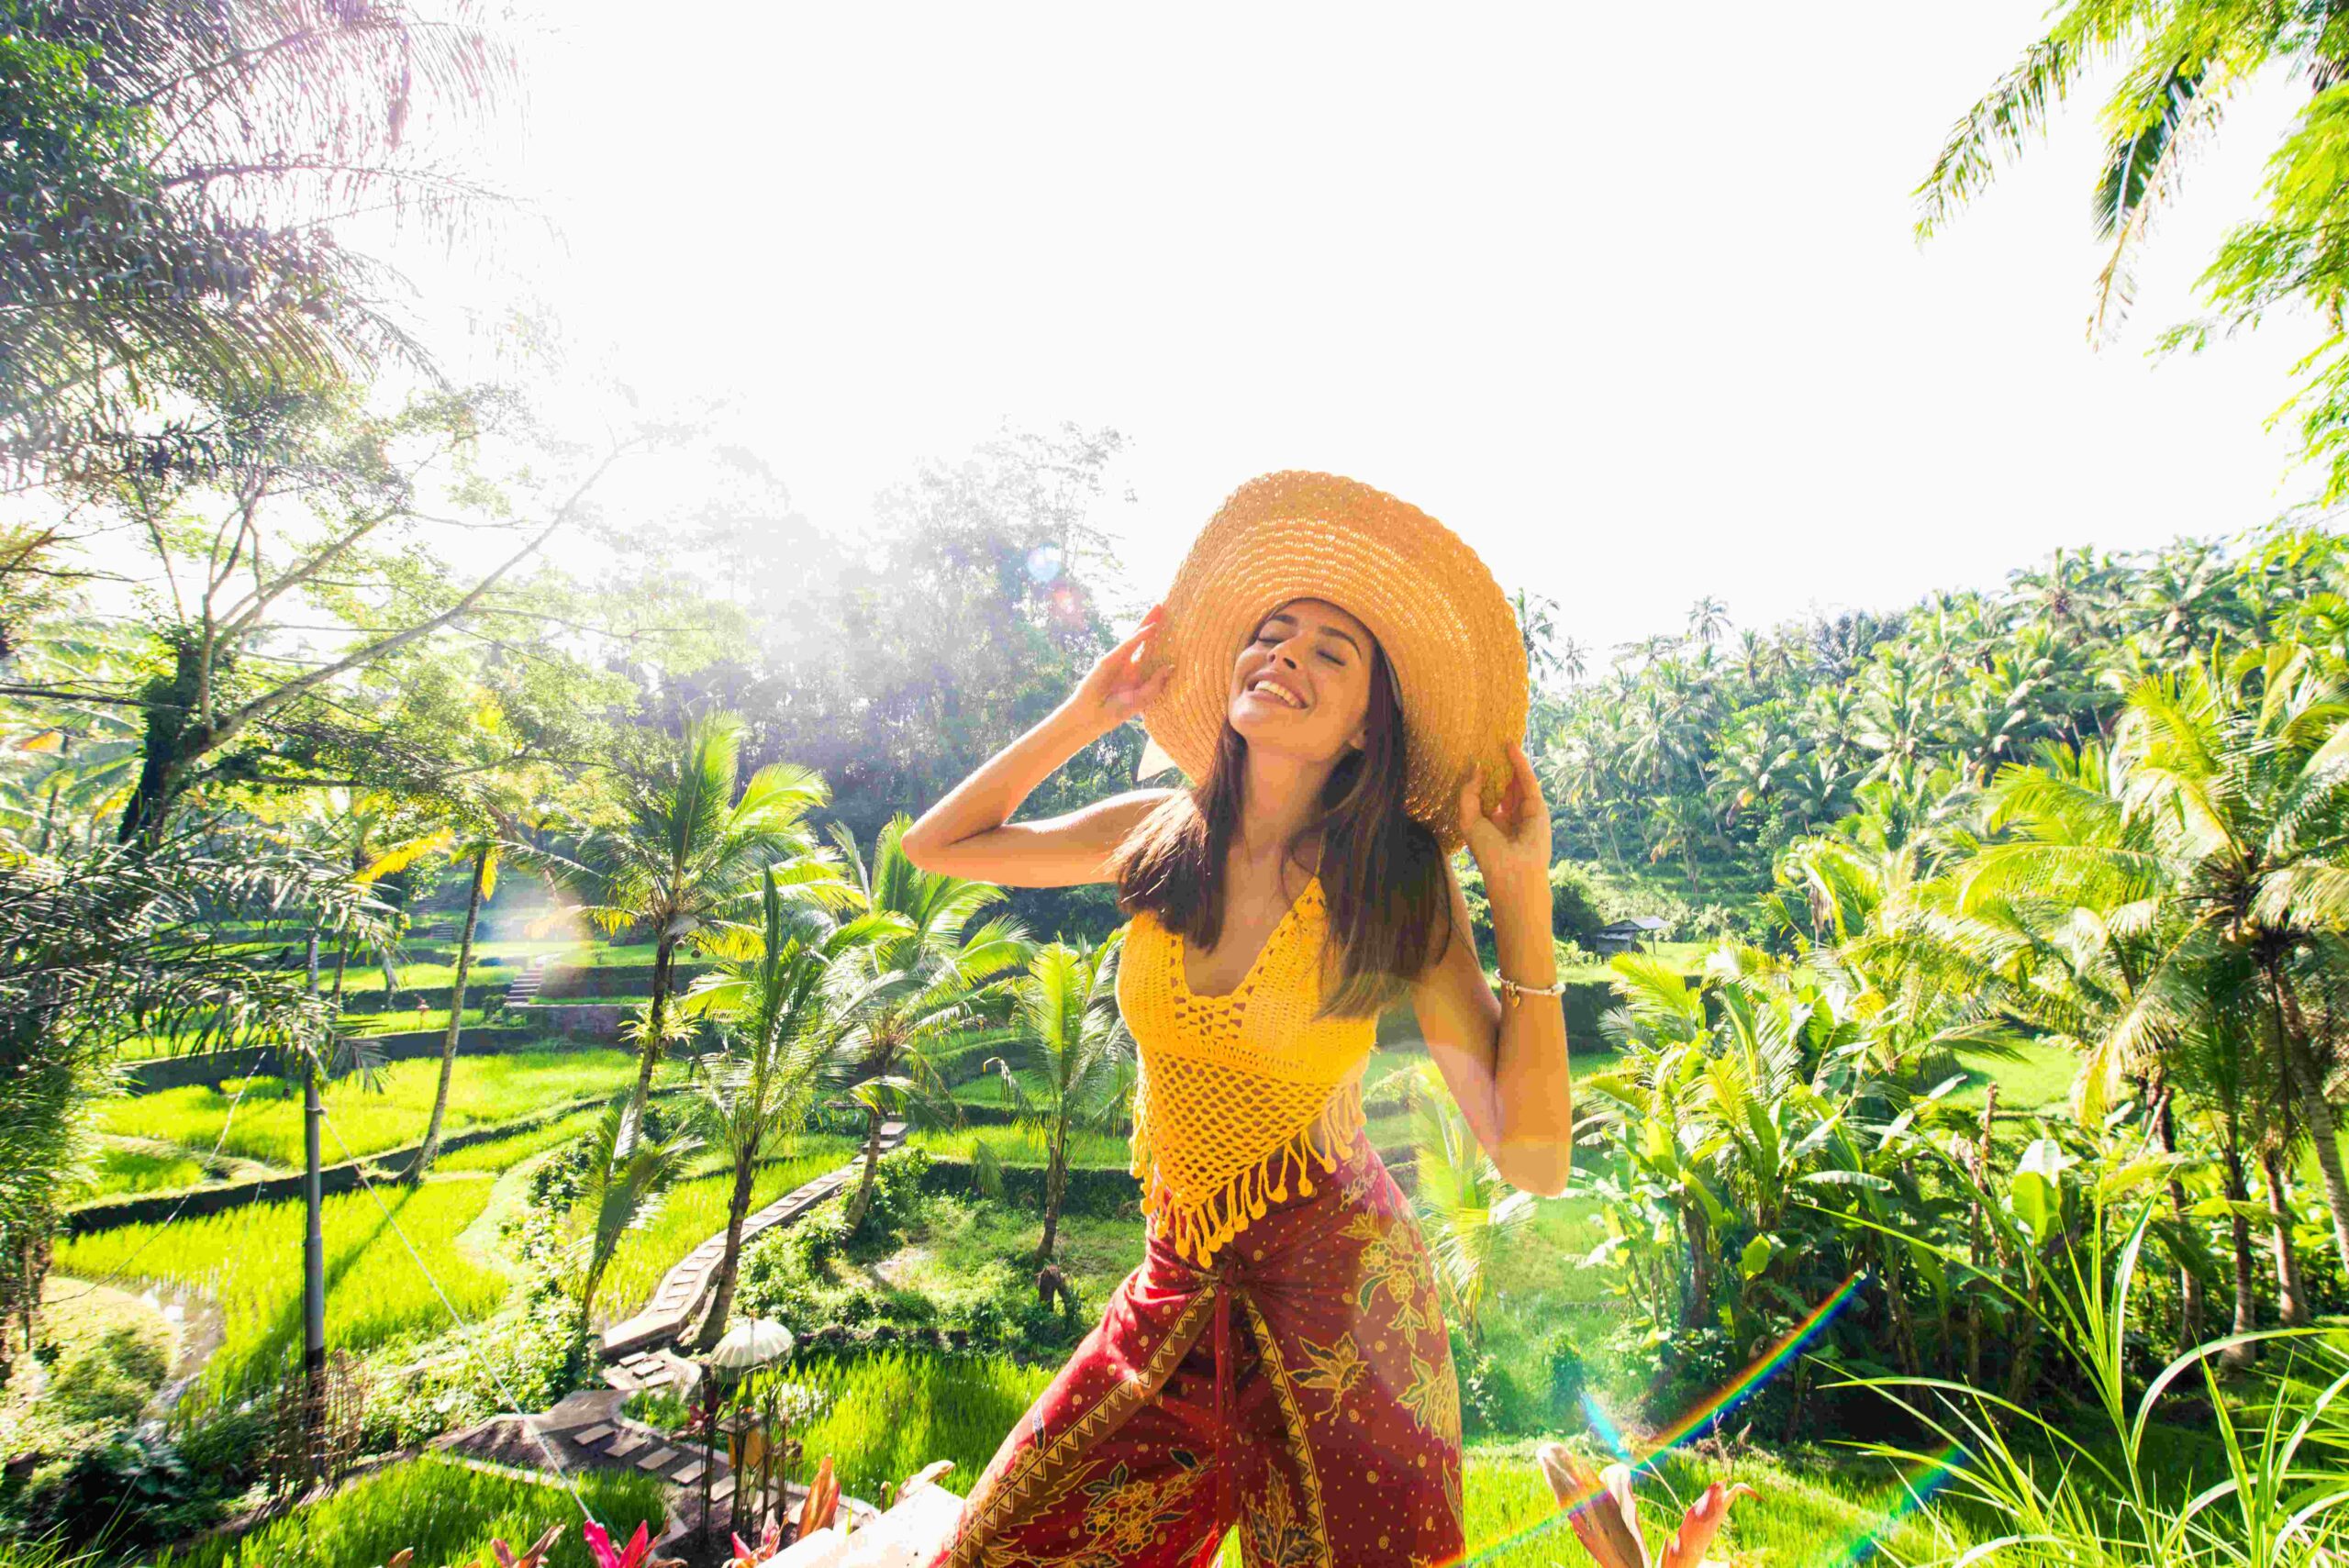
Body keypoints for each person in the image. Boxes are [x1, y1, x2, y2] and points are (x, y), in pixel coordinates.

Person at [899, 471, 1574, 1568]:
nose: (1283, 657)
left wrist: (1520, 894)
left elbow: (1533, 1154)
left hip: (1349, 1316)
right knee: (994, 1549)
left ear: (1368, 725)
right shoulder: (1158, 833)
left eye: (1328, 651)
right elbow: (940, 845)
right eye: (1270, 634)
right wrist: (1086, 712)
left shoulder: (1396, 880)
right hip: (1176, 1288)